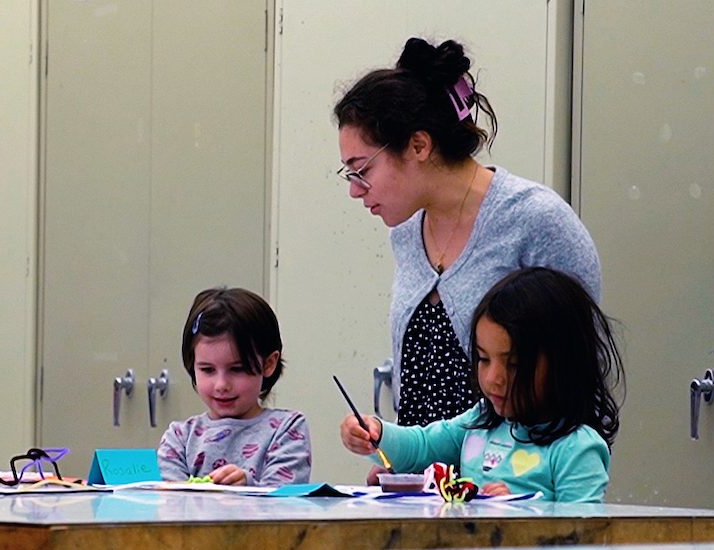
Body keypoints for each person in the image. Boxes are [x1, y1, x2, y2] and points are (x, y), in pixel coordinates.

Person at [333, 37, 602, 432]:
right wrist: (394, 449)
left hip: (513, 482)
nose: (354, 189)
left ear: (419, 145)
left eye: (362, 170)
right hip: (427, 484)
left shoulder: (537, 221)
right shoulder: (407, 231)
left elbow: (581, 380)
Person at [339, 267, 623, 502]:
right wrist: (376, 433)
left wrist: (524, 512)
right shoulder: (481, 423)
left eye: (513, 364)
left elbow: (586, 536)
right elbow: (422, 447)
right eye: (484, 359)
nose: (493, 378)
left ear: (564, 362)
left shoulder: (577, 448)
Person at [157, 287, 311, 486]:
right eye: (207, 370)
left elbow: (284, 502)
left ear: (269, 363)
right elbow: (171, 505)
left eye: (237, 369)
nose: (221, 385)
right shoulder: (179, 438)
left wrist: (248, 487)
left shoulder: (287, 428)